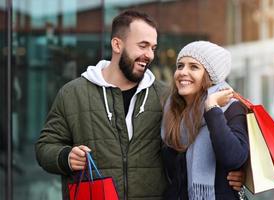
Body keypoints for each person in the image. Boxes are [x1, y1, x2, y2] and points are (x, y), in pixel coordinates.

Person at [35, 11, 245, 200]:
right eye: (142, 46)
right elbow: (45, 146)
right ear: (117, 45)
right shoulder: (73, 93)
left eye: (153, 48)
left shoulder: (166, 97)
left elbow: (192, 153)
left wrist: (231, 175)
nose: (150, 55)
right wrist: (65, 157)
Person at [162, 41, 249, 200]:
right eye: (180, 66)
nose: (183, 72)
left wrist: (212, 108)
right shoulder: (171, 110)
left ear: (210, 76)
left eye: (194, 67)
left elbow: (234, 158)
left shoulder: (230, 108)